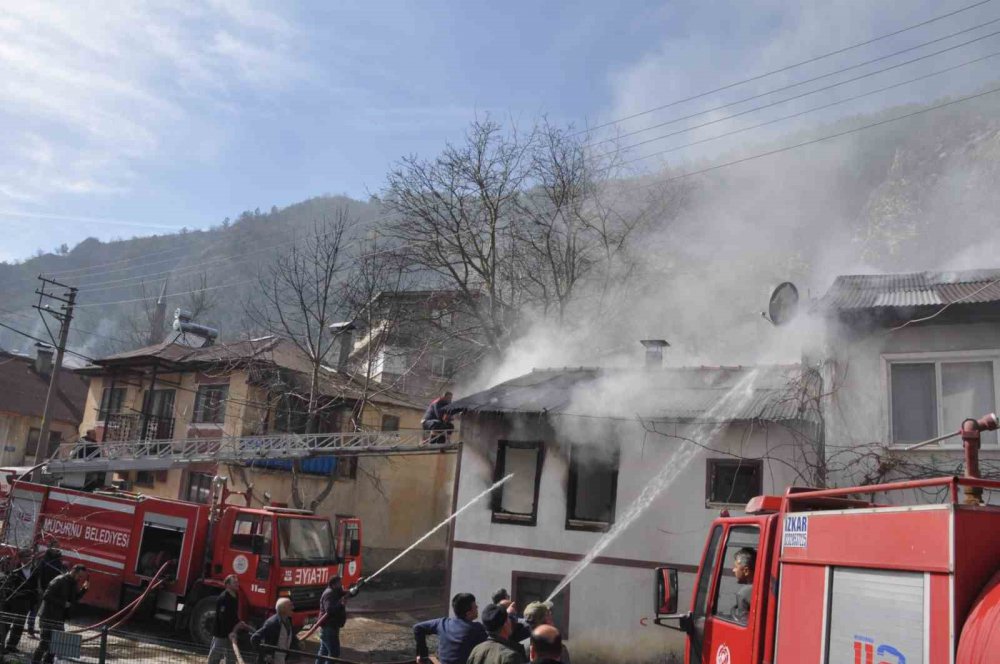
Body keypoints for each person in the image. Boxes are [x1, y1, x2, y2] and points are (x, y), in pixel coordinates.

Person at [31, 564, 88, 664]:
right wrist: (62, 603)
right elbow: (46, 596)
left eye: (82, 577)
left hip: (59, 618)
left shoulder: (73, 583)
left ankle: (47, 662)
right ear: (73, 572)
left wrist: (84, 590)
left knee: (56, 644)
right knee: (44, 643)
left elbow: (74, 599)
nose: (80, 579)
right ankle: (35, 662)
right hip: (48, 616)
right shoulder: (59, 580)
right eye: (79, 576)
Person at [413, 592, 487, 664]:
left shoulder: (442, 623)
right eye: (475, 606)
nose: (477, 607)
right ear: (468, 613)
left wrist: (423, 655)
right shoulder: (476, 628)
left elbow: (417, 628)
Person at [208, 575, 249, 664]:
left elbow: (233, 614)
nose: (237, 584)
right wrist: (230, 632)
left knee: (231, 657)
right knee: (215, 656)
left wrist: (239, 623)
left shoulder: (235, 595)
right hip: (221, 633)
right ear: (227, 585)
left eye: (237, 582)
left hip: (231, 632)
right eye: (234, 582)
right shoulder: (223, 598)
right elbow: (222, 618)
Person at [1, 550, 36, 654]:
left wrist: (32, 602)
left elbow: (35, 587)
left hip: (25, 603)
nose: (29, 558)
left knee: (19, 626)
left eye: (30, 556)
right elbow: (7, 586)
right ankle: (1, 646)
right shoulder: (14, 570)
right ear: (21, 558)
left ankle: (12, 646)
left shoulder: (34, 570)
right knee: (5, 625)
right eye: (26, 556)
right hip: (12, 602)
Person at [27, 548, 65, 637]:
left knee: (47, 612)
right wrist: (39, 588)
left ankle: (44, 631)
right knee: (35, 609)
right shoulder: (44, 561)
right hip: (42, 590)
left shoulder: (58, 563)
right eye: (55, 549)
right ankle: (30, 628)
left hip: (51, 591)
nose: (57, 550)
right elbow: (38, 575)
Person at [251, 598, 297, 664]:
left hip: (282, 659)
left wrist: (297, 642)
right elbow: (254, 638)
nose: (293, 607)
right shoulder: (272, 623)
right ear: (283, 609)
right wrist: (265, 655)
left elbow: (289, 635)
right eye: (290, 606)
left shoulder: (288, 621)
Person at [316, 576, 348, 662]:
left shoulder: (336, 591)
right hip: (328, 627)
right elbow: (329, 610)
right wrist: (341, 604)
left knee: (323, 652)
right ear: (334, 584)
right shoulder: (329, 594)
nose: (341, 585)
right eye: (339, 583)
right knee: (334, 653)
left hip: (331, 627)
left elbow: (348, 593)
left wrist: (358, 587)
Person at [730, 547, 756, 625]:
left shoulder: (743, 594)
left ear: (746, 571)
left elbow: (743, 623)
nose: (733, 570)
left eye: (735, 567)